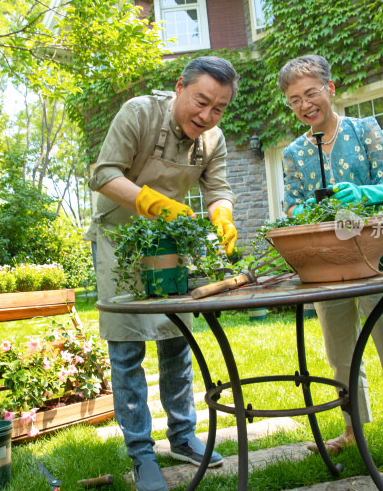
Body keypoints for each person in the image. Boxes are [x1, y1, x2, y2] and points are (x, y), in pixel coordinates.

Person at [277, 54, 383, 480]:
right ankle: (353, 429)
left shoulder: (364, 129)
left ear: (330, 89)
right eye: (294, 99)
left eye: (311, 93)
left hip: (375, 261)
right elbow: (293, 206)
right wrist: (308, 208)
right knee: (341, 356)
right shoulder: (295, 153)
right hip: (325, 264)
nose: (304, 105)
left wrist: (365, 194)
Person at [85, 56, 239, 491]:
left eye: (218, 109)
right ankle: (140, 452)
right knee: (127, 345)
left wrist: (222, 215)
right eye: (201, 101)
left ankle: (183, 435)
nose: (206, 116)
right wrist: (153, 203)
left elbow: (218, 188)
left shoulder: (213, 140)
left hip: (173, 242)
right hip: (120, 239)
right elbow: (103, 174)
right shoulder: (139, 113)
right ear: (179, 87)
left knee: (177, 340)